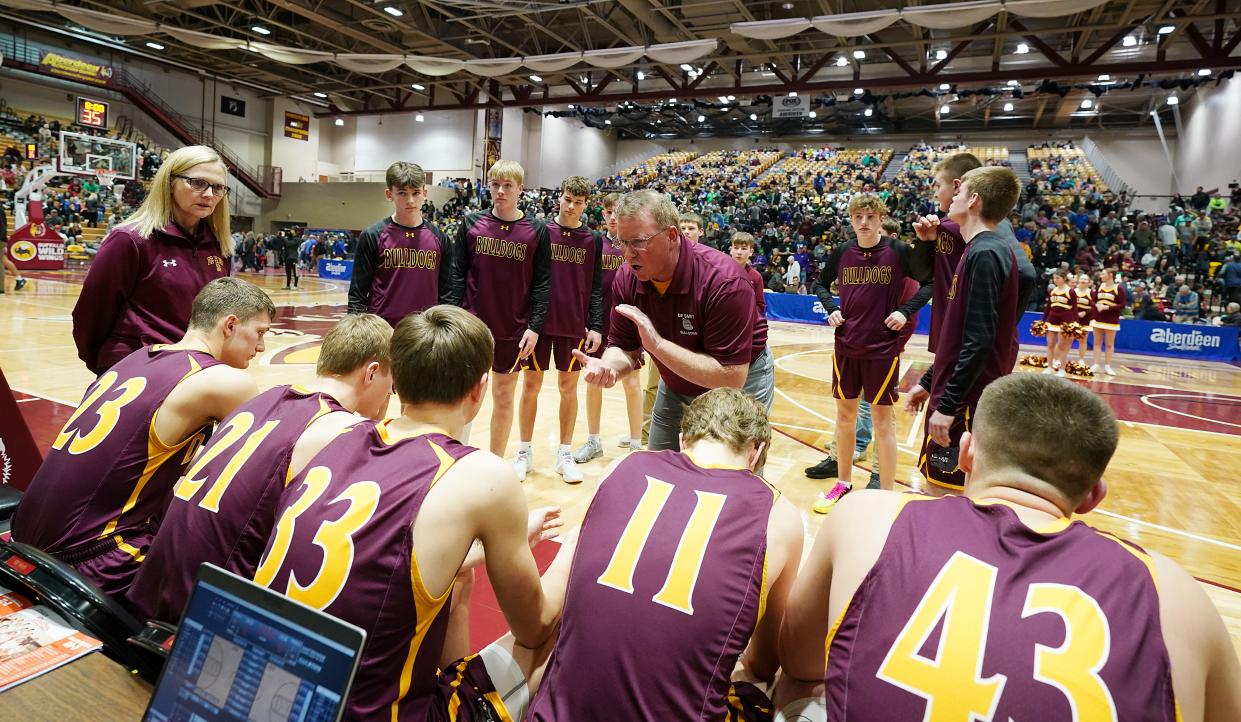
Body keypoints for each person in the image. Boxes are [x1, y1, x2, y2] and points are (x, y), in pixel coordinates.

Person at [774, 374, 1241, 722]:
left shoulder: (869, 515)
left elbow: (797, 659)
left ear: (965, 455)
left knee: (793, 689)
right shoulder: (1177, 596)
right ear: (1094, 496)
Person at [252, 306, 572, 721]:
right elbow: (535, 625)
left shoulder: (332, 433)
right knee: (551, 637)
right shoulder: (482, 475)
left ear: (396, 381)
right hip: (361, 713)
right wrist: (583, 539)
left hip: (259, 690)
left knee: (459, 576)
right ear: (478, 390)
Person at [528, 388, 803, 721]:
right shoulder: (780, 514)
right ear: (755, 453)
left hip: (555, 714)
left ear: (682, 439)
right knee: (779, 685)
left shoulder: (624, 464)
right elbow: (764, 662)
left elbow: (545, 617)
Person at [11, 277, 271, 598]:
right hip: (91, 556)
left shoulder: (135, 357)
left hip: (22, 535)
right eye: (259, 333)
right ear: (230, 325)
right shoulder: (226, 382)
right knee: (231, 578)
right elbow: (253, 478)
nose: (261, 347)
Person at [128, 314, 395, 622]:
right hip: (200, 618)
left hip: (148, 589)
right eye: (392, 384)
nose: (391, 394)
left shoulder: (265, 396)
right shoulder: (342, 429)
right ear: (372, 372)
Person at [573, 190, 773, 453]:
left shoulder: (725, 282)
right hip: (677, 376)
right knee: (661, 466)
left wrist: (657, 346)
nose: (628, 254)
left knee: (729, 477)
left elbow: (732, 376)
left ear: (671, 236)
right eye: (623, 242)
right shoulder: (627, 277)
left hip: (740, 380)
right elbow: (624, 346)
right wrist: (609, 367)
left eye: (638, 242)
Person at [806, 194, 932, 513]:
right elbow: (820, 284)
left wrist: (905, 311)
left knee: (882, 422)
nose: (864, 221)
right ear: (851, 219)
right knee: (845, 418)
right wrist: (832, 308)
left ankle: (885, 494)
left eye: (870, 216)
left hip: (882, 349)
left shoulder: (898, 251)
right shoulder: (842, 251)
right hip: (846, 345)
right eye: (858, 216)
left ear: (880, 218)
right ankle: (844, 482)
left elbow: (931, 283)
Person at [72, 145, 234, 375]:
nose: (209, 194)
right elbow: (91, 315)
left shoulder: (219, 247)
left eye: (218, 187)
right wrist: (107, 364)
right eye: (197, 183)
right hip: (137, 370)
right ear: (169, 183)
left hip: (195, 370)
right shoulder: (130, 240)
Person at [914, 166, 1025, 496]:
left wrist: (947, 406)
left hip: (963, 403)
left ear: (974, 200)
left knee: (945, 496)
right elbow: (959, 337)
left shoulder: (986, 254)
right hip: (957, 393)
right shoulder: (977, 250)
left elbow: (978, 342)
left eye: (960, 193)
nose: (953, 197)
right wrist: (929, 379)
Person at [446, 160, 551, 460]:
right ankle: (456, 459)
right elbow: (457, 274)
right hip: (472, 326)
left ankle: (494, 463)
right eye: (495, 185)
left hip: (513, 328)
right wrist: (452, 318)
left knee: (503, 399)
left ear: (521, 188)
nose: (501, 191)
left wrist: (535, 326)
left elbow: (543, 282)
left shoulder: (536, 231)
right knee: (463, 398)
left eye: (508, 186)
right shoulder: (471, 224)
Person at [512, 176, 603, 483]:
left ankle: (564, 453)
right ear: (559, 199)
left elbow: (595, 287)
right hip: (539, 325)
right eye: (568, 199)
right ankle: (524, 451)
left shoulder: (593, 240)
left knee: (569, 389)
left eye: (579, 202)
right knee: (531, 387)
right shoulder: (541, 231)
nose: (572, 206)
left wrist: (596, 326)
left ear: (586, 205)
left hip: (573, 324)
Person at [573, 193, 644, 464]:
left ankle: (637, 445)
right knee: (593, 380)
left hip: (627, 325)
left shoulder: (633, 245)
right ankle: (593, 441)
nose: (613, 216)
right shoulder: (595, 244)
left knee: (632, 383)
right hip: (598, 324)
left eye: (618, 212)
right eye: (609, 212)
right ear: (603, 215)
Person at [347, 162, 453, 327]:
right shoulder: (372, 235)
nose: (410, 200)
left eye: (416, 193)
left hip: (424, 332)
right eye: (402, 193)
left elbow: (447, 294)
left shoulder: (441, 238)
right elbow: (358, 293)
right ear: (389, 194)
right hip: (383, 330)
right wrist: (357, 332)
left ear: (425, 193)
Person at [635, 211, 708, 448]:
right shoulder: (655, 265)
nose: (687, 232)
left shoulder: (710, 266)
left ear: (701, 232)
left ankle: (697, 441)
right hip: (662, 339)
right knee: (655, 388)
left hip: (698, 348)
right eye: (684, 228)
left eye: (692, 228)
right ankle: (646, 436)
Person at [1090, 267, 1126, 375]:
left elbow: (1122, 305)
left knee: (1109, 344)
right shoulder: (1099, 286)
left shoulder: (1118, 288)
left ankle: (1108, 366)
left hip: (1111, 320)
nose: (1101, 276)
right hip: (1098, 318)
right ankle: (1096, 364)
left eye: (1103, 274)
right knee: (1097, 343)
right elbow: (1092, 301)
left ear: (1110, 275)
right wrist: (1097, 305)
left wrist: (1107, 307)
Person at [1043, 272, 1075, 377]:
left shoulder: (1070, 291)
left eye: (1058, 277)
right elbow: (1048, 307)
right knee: (1050, 345)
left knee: (1062, 346)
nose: (1055, 280)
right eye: (1054, 278)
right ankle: (1049, 367)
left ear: (1064, 278)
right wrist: (1043, 321)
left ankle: (1062, 369)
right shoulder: (1053, 291)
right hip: (1052, 322)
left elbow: (1074, 309)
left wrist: (1075, 323)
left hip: (1064, 323)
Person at [728, 231, 767, 318]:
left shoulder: (756, 277)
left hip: (746, 324)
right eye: (736, 248)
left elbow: (760, 305)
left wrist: (748, 318)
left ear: (751, 251)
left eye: (744, 248)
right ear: (731, 250)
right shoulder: (720, 272)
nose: (739, 252)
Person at [1071, 273, 1095, 364]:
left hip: (1085, 319)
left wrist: (1085, 312)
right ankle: (1060, 357)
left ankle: (1081, 359)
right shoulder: (1073, 291)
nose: (1083, 281)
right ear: (1078, 280)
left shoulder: (1091, 293)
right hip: (1073, 318)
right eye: (1081, 279)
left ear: (1089, 282)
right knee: (1067, 339)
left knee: (1083, 340)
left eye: (1085, 279)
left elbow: (1094, 307)